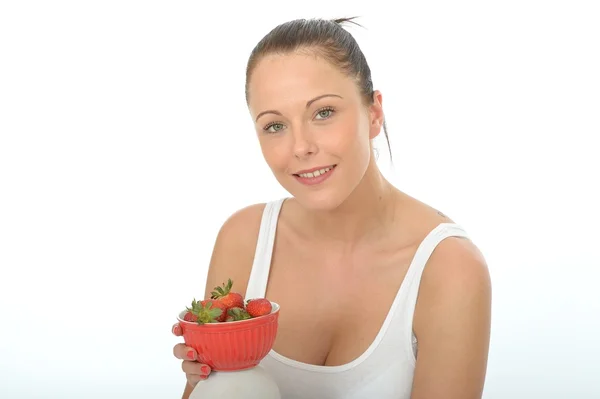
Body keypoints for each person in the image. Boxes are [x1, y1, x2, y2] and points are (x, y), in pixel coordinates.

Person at [172, 16, 492, 399]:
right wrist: (206, 385)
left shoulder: (449, 270)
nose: (301, 147)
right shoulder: (243, 240)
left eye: (323, 112)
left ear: (374, 114)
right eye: (275, 125)